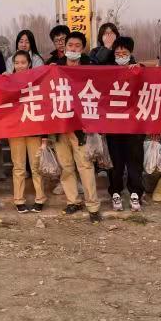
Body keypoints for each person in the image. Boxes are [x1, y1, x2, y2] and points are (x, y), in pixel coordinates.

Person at [52, 32, 102, 223]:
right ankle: (73, 201)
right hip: (60, 125)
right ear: (64, 47)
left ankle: (93, 205)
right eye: (70, 45)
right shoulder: (54, 66)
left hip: (82, 126)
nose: (73, 49)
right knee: (66, 166)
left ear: (83, 48)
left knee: (85, 166)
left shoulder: (91, 67)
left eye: (77, 46)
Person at [102, 36, 145, 211]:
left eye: (124, 53)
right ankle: (115, 192)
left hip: (134, 126)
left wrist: (140, 69)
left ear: (130, 53)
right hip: (113, 125)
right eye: (117, 53)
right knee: (116, 162)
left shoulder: (138, 69)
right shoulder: (107, 71)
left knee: (135, 161)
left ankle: (135, 193)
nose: (120, 56)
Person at [6, 50, 47, 213]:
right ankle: (19, 199)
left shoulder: (37, 81)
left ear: (29, 64)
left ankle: (40, 198)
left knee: (36, 167)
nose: (20, 66)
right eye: (17, 63)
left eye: (23, 62)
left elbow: (43, 105)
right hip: (15, 130)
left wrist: (44, 136)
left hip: (34, 129)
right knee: (18, 167)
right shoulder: (8, 81)